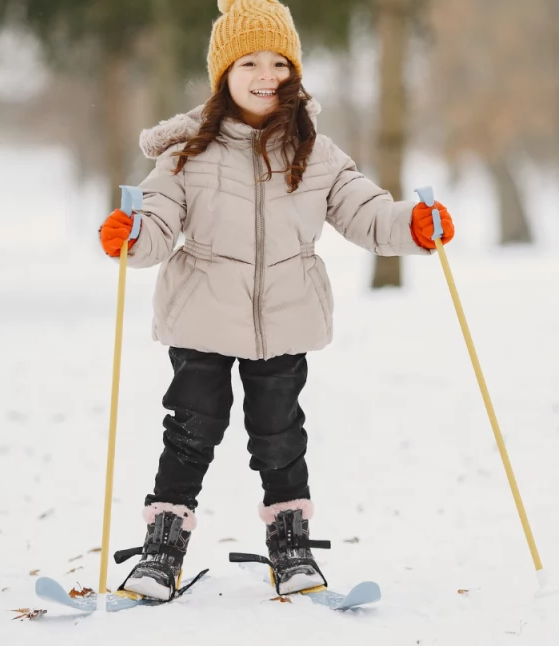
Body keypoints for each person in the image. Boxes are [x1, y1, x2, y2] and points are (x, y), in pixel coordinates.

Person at [96, 0, 455, 601]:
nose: (267, 75)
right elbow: (156, 217)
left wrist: (412, 225)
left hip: (286, 319)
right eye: (249, 62)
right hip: (203, 317)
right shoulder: (187, 153)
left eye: (279, 63)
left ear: (295, 71)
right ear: (223, 75)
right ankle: (163, 548)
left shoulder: (314, 152)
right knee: (191, 428)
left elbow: (366, 212)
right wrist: (133, 235)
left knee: (279, 433)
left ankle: (290, 544)